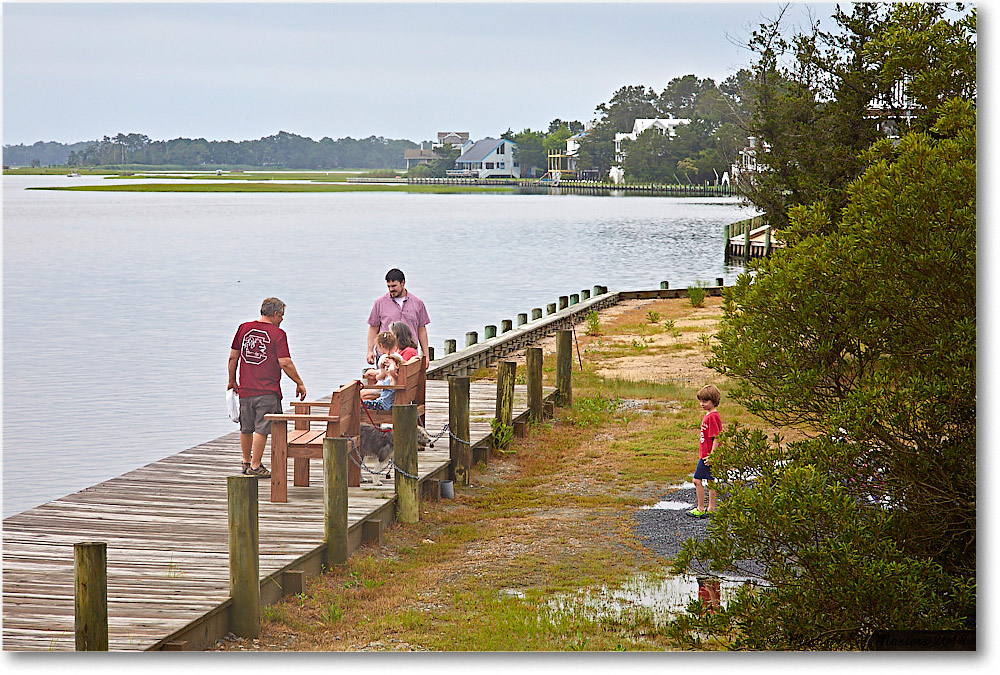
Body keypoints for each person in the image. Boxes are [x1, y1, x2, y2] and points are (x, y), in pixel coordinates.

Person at [227, 297, 307, 478]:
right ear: (276, 313)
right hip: (267, 390)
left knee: (246, 427)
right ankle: (255, 466)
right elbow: (285, 362)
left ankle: (246, 462)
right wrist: (299, 382)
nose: (282, 320)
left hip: (245, 388)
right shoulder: (278, 334)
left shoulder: (243, 328)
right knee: (262, 428)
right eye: (282, 316)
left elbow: (233, 357)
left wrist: (232, 380)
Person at [367, 268, 430, 368]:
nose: (391, 289)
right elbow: (373, 328)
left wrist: (426, 356)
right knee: (385, 381)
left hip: (409, 355)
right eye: (388, 286)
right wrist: (370, 351)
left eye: (394, 286)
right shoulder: (379, 303)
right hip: (386, 355)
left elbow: (421, 330)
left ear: (403, 283)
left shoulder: (417, 303)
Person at [687, 384, 722, 518]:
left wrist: (712, 455)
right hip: (707, 454)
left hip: (708, 456)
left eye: (705, 401)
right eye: (701, 401)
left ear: (714, 401)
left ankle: (701, 509)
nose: (702, 404)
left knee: (697, 480)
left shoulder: (712, 416)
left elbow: (717, 437)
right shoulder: (710, 414)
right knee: (711, 481)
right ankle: (711, 509)